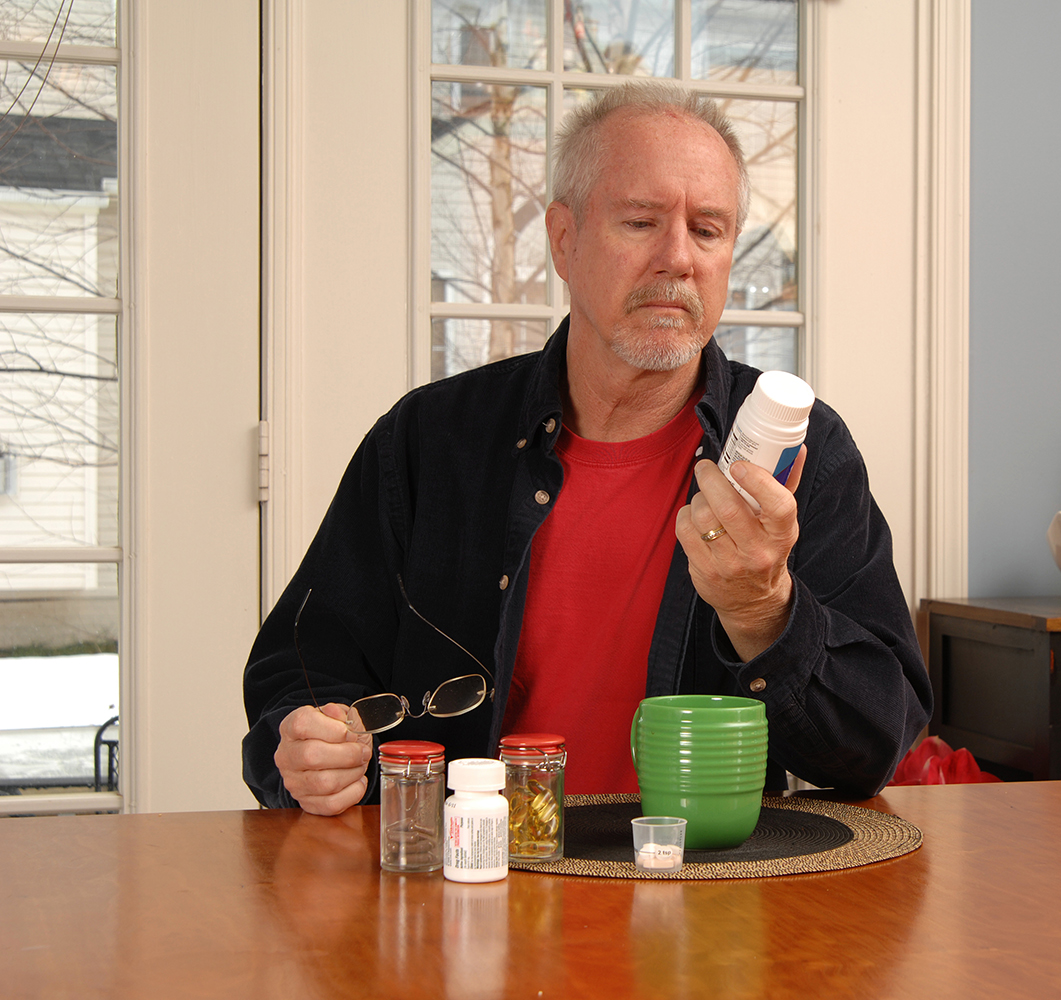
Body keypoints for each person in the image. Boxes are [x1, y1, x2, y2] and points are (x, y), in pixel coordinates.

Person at [243, 81, 932, 814]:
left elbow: (875, 746)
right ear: (564, 240)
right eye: (640, 222)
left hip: (705, 896)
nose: (678, 258)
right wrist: (305, 747)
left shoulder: (806, 457)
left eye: (708, 230)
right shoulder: (427, 440)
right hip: (468, 883)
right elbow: (301, 672)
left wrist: (766, 612)